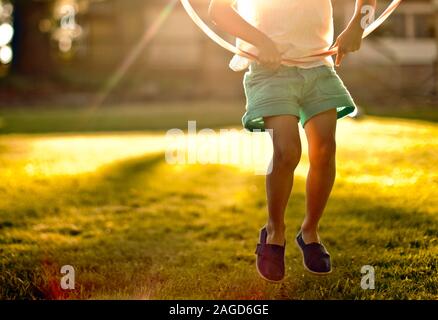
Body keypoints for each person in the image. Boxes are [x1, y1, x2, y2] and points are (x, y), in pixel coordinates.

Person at [209, 0, 376, 281]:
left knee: (324, 150)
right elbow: (219, 11)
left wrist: (357, 26)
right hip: (270, 70)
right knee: (287, 151)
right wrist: (261, 41)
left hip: (318, 68)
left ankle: (310, 231)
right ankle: (274, 232)